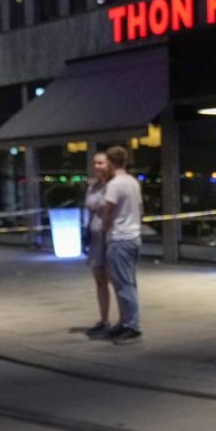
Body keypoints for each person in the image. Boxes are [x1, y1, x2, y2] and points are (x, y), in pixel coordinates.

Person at [97, 145, 144, 344]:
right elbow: (140, 209)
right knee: (128, 282)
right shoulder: (133, 182)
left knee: (123, 284)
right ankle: (125, 322)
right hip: (133, 236)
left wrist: (103, 230)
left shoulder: (115, 184)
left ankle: (132, 326)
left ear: (110, 162)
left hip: (119, 238)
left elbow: (108, 211)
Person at [83, 151, 114, 337]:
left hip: (110, 236)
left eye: (101, 163)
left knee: (114, 279)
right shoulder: (93, 186)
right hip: (95, 236)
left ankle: (125, 321)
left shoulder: (114, 186)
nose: (97, 166)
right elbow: (89, 207)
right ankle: (104, 319)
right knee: (99, 279)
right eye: (95, 163)